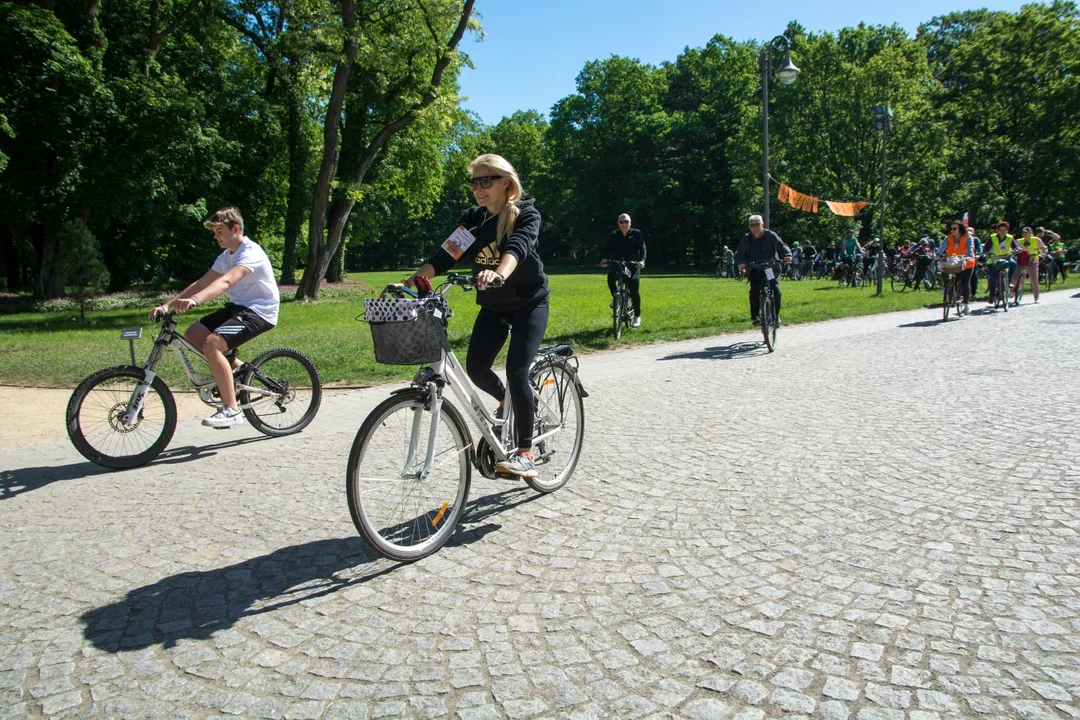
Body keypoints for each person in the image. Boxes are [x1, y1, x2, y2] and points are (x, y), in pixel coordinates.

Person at [404, 154, 548, 478]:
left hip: (529, 304)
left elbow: (518, 248)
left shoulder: (526, 214)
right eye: (474, 182)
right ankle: (505, 403)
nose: (478, 189)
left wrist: (498, 273)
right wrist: (409, 281)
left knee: (516, 370)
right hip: (495, 306)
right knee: (476, 367)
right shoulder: (473, 220)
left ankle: (525, 452)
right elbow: (445, 256)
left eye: (486, 181)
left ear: (506, 183)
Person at [150, 207, 280, 428]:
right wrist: (167, 305)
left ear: (235, 229)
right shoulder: (226, 255)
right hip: (238, 308)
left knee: (212, 344)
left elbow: (226, 282)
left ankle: (232, 410)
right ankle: (236, 371)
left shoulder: (250, 252)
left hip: (260, 311)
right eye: (215, 232)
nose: (216, 236)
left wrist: (195, 301)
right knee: (194, 333)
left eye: (220, 231)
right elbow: (203, 282)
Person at [735, 214, 792, 325]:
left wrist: (787, 255)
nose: (755, 227)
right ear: (749, 227)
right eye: (752, 225)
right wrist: (741, 263)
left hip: (769, 268)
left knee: (775, 290)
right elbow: (739, 253)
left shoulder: (770, 235)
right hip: (754, 269)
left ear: (762, 224)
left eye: (757, 224)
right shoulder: (746, 238)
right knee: (754, 291)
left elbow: (782, 246)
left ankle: (775, 316)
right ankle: (755, 317)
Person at [602, 214, 646, 326]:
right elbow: (606, 249)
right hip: (618, 264)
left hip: (632, 265)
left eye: (626, 221)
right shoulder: (614, 235)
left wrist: (642, 261)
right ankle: (617, 299)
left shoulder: (636, 234)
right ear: (618, 223)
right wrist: (604, 259)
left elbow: (642, 248)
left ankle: (637, 316)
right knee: (611, 279)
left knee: (634, 292)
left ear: (630, 222)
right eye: (621, 222)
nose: (624, 224)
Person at [938, 220, 976, 314]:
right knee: (943, 269)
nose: (952, 230)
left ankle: (966, 304)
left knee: (965, 282)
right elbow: (942, 248)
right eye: (951, 228)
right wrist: (937, 255)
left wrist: (969, 256)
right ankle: (947, 287)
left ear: (960, 229)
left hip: (966, 263)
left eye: (954, 228)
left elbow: (970, 248)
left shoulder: (968, 237)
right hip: (953, 262)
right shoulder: (948, 238)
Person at [1013, 225, 1048, 303]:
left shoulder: (1036, 240)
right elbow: (1014, 249)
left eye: (1026, 233)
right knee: (1016, 277)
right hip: (1021, 260)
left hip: (1032, 260)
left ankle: (1036, 297)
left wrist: (1042, 254)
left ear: (1031, 233)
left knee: (1034, 279)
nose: (1024, 234)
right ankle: (1013, 292)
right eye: (1023, 233)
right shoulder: (1019, 241)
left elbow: (1044, 248)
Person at [985, 222, 1017, 304]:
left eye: (1004, 230)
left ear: (1007, 230)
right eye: (1000, 230)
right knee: (993, 277)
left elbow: (1016, 246)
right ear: (997, 230)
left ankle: (1008, 282)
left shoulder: (1010, 238)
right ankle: (992, 295)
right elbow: (986, 247)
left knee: (1013, 264)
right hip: (994, 259)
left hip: (1007, 257)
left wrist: (1017, 249)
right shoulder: (993, 237)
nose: (1002, 232)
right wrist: (985, 253)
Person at [967, 226, 983, 298]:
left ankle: (973, 292)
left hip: (972, 259)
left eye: (971, 231)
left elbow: (980, 248)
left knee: (973, 276)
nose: (969, 233)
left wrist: (978, 255)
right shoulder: (962, 239)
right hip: (962, 259)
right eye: (967, 231)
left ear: (973, 233)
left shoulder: (976, 240)